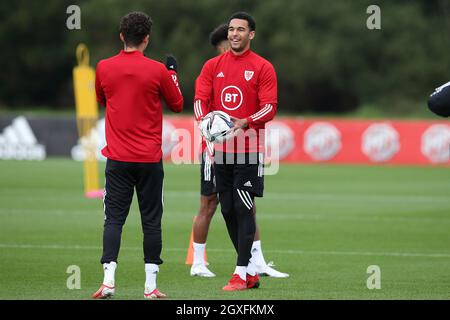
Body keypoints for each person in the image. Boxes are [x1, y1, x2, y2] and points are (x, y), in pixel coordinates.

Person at [92, 11, 183, 299]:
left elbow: (101, 99)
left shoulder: (104, 67)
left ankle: (108, 281)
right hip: (149, 160)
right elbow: (178, 104)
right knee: (151, 221)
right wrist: (172, 74)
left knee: (113, 220)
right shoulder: (157, 70)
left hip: (117, 159)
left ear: (122, 36)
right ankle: (150, 286)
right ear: (147, 38)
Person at [190, 23, 289, 279]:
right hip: (215, 150)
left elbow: (268, 107)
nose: (233, 37)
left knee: (246, 206)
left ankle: (254, 263)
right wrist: (206, 129)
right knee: (211, 204)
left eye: (239, 31)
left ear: (250, 35)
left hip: (246, 149)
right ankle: (199, 262)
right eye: (230, 33)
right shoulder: (213, 67)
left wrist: (246, 122)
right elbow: (200, 103)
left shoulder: (260, 66)